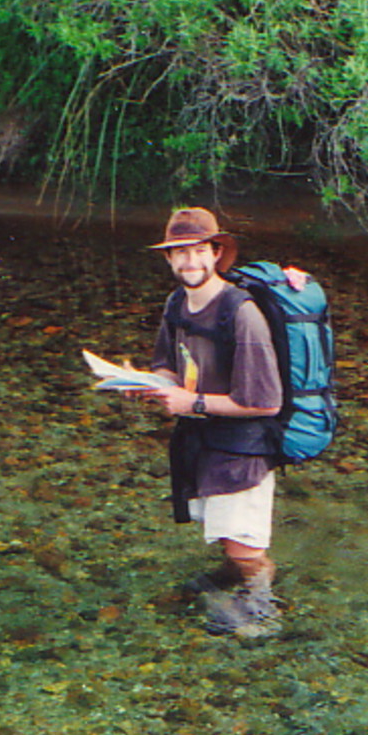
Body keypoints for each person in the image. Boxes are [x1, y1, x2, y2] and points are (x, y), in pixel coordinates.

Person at [138, 207, 285, 639]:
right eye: (180, 253)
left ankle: (264, 612)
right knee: (224, 532)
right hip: (203, 439)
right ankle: (235, 580)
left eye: (200, 251)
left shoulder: (242, 315)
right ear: (168, 260)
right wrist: (151, 385)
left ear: (217, 253)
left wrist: (192, 401)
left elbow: (265, 402)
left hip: (243, 445)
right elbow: (166, 362)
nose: (190, 262)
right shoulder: (176, 303)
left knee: (246, 547)